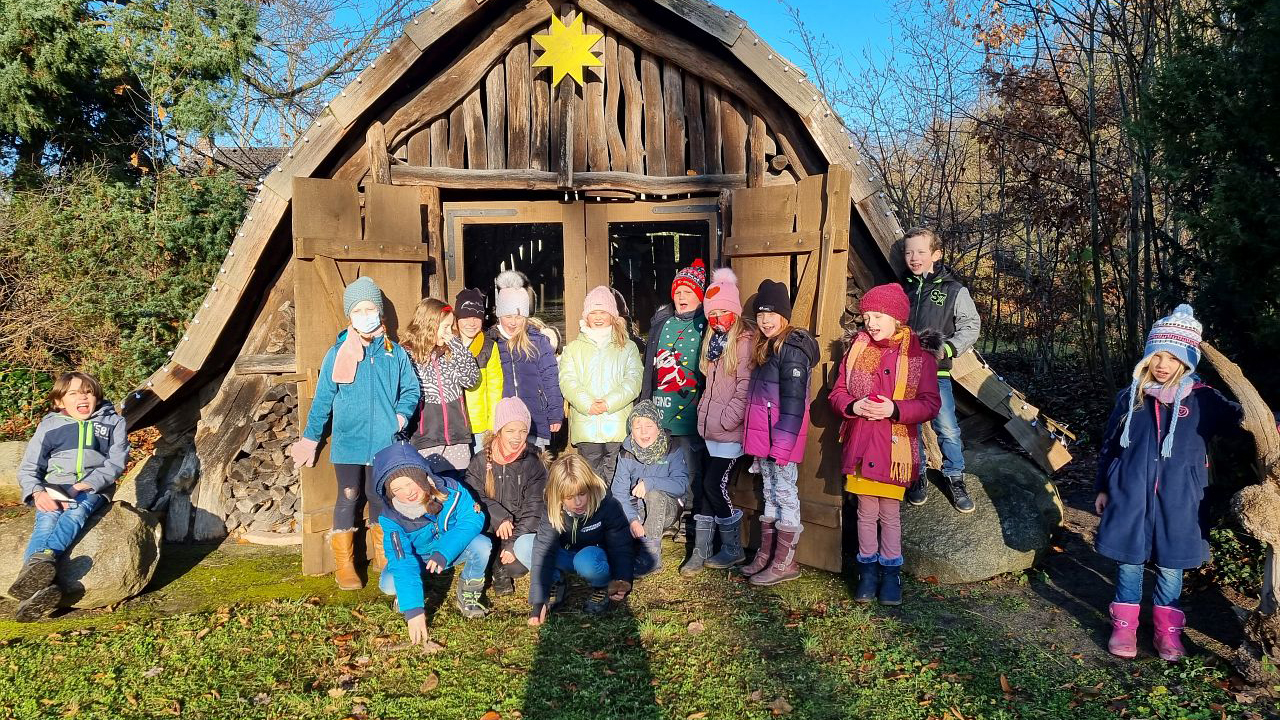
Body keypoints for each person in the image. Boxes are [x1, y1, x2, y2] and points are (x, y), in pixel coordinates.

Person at [1095, 305, 1244, 662]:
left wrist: (1275, 423)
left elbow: (1244, 418)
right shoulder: (1132, 397)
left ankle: (1167, 631)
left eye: (1172, 357)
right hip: (1130, 494)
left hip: (1181, 499)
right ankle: (1125, 627)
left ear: (1187, 360)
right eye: (1156, 355)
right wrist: (1103, 485)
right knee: (1130, 560)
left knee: (1170, 564)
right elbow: (1110, 444)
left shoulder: (1203, 399)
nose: (1162, 364)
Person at [290, 277, 421, 591]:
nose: (366, 314)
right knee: (348, 497)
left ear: (379, 311)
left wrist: (401, 417)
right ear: (350, 315)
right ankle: (345, 565)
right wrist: (310, 438)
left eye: (370, 307)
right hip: (349, 443)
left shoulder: (395, 353)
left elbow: (411, 390)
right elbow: (323, 400)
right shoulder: (337, 353)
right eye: (359, 310)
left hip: (384, 444)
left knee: (379, 496)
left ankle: (382, 556)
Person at [828, 284, 942, 605]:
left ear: (897, 318)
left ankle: (891, 575)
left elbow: (930, 403)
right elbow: (837, 393)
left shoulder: (919, 357)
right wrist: (852, 406)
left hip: (895, 449)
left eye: (878, 315)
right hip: (862, 444)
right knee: (865, 512)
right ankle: (867, 573)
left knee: (890, 514)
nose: (871, 322)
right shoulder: (857, 350)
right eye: (866, 316)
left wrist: (895, 409)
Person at [9, 372, 129, 622]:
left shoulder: (113, 423)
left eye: (87, 391)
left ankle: (42, 560)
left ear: (96, 396)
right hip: (54, 485)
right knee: (47, 518)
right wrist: (37, 491)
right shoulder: (49, 426)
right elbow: (30, 467)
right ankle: (35, 590)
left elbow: (116, 463)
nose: (82, 397)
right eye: (73, 393)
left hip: (91, 487)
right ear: (60, 402)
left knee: (76, 512)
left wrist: (85, 484)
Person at [739, 279, 819, 586]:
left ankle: (786, 561)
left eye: (771, 314)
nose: (765, 320)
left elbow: (794, 405)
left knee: (785, 496)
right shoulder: (767, 348)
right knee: (770, 494)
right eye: (760, 315)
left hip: (781, 443)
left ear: (784, 316)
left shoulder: (792, 349)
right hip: (767, 443)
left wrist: (782, 447)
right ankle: (767, 555)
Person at [374, 441, 493, 639]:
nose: (408, 492)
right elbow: (401, 559)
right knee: (388, 584)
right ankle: (409, 593)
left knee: (482, 545)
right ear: (390, 493)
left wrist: (443, 552)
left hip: (449, 551)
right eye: (398, 489)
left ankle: (468, 593)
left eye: (411, 482)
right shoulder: (391, 519)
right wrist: (413, 609)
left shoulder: (451, 491)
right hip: (418, 560)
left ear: (423, 477)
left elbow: (473, 519)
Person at [900, 227, 981, 512]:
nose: (914, 257)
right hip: (904, 374)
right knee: (910, 428)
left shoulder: (953, 289)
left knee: (946, 428)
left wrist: (947, 349)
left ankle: (954, 477)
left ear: (936, 254)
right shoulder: (902, 289)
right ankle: (917, 474)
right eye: (909, 252)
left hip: (937, 375)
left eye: (921, 252)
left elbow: (971, 325)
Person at [682, 268, 754, 575]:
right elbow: (711, 388)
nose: (718, 318)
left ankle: (733, 548)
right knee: (705, 486)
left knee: (714, 484)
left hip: (729, 432)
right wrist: (705, 415)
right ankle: (702, 549)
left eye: (724, 312)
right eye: (713, 313)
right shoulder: (713, 343)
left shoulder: (743, 343)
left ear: (735, 312)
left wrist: (726, 419)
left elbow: (744, 388)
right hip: (711, 429)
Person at [527, 455, 651, 624]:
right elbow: (543, 548)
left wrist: (622, 579)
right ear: (559, 496)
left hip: (594, 557)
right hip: (566, 554)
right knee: (525, 545)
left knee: (586, 560)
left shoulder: (608, 505)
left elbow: (620, 545)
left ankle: (601, 587)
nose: (578, 502)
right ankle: (555, 581)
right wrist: (538, 601)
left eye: (582, 494)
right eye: (569, 497)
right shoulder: (552, 507)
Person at [641, 258, 709, 537]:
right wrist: (645, 403)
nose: (682, 297)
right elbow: (650, 368)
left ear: (700, 296)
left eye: (688, 293)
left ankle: (689, 516)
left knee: (691, 468)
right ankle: (665, 513)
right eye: (678, 292)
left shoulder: (705, 326)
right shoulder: (662, 324)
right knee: (662, 464)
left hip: (691, 411)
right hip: (661, 410)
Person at [559, 285, 644, 481]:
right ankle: (594, 512)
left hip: (617, 425)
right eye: (593, 312)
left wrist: (608, 402)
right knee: (591, 480)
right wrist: (587, 403)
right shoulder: (573, 349)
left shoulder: (627, 347)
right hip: (586, 425)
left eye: (603, 312)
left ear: (613, 316)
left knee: (617, 477)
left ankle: (615, 511)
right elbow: (567, 380)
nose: (598, 317)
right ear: (585, 316)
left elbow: (633, 380)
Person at [465, 397, 548, 597]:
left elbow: (535, 508)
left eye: (522, 431)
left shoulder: (533, 463)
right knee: (480, 544)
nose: (517, 437)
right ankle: (491, 563)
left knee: (516, 568)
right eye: (510, 431)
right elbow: (472, 494)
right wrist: (500, 516)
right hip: (488, 525)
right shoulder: (479, 461)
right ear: (498, 431)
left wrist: (513, 543)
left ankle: (500, 564)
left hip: (518, 527)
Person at [402, 297, 481, 480]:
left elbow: (471, 379)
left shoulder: (450, 352)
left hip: (456, 438)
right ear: (429, 325)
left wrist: (456, 345)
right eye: (445, 327)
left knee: (459, 487)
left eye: (450, 327)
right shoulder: (407, 356)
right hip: (425, 439)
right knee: (432, 489)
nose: (449, 333)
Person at [611, 401, 689, 574]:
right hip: (636, 512)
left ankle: (651, 558)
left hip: (666, 510)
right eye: (638, 427)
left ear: (658, 427)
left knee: (653, 494)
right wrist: (633, 520)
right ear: (631, 429)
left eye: (649, 425)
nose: (644, 432)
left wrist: (650, 483)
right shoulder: (626, 452)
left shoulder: (672, 448)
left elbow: (682, 485)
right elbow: (619, 492)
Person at [488, 278, 564, 449]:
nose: (513, 322)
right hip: (506, 421)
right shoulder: (492, 342)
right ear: (499, 316)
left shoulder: (538, 342)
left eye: (518, 317)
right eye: (508, 316)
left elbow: (550, 380)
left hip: (535, 417)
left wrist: (555, 414)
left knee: (536, 465)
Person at [455, 288, 504, 454]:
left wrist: (492, 425)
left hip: (479, 424)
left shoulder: (489, 346)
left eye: (476, 317)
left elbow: (495, 388)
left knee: (480, 469)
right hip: (454, 423)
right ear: (457, 319)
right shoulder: (447, 345)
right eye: (466, 317)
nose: (471, 323)